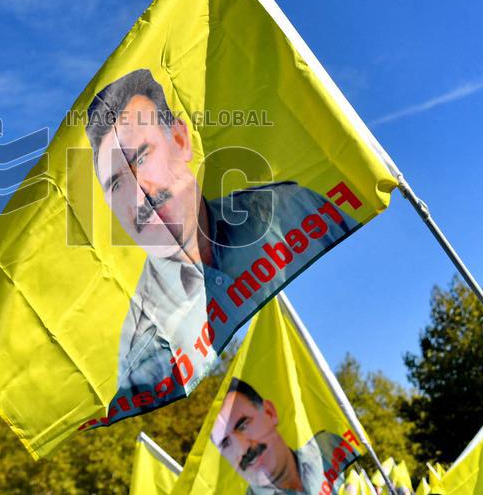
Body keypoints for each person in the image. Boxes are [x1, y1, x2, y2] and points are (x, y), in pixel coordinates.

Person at [84, 69, 356, 417]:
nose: (140, 194)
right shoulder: (141, 351)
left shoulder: (291, 210)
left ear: (180, 140)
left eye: (142, 157)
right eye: (117, 184)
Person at [211, 377, 345, 495]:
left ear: (269, 412)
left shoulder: (330, 447)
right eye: (225, 443)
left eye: (243, 426)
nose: (242, 449)